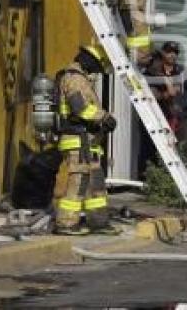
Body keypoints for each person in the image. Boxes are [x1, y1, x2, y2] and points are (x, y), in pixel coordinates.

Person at [52, 45, 118, 235]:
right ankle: (66, 223)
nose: (97, 71)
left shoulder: (82, 78)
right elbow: (79, 109)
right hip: (77, 140)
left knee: (95, 184)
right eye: (96, 65)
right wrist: (104, 117)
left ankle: (98, 222)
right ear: (87, 60)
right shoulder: (75, 79)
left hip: (88, 141)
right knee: (79, 183)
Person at [139, 41, 187, 179]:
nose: (172, 55)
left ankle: (179, 180)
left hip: (179, 118)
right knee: (153, 149)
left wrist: (180, 105)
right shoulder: (152, 72)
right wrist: (164, 95)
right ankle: (152, 180)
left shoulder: (182, 72)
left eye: (175, 53)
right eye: (169, 52)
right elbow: (146, 93)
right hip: (158, 118)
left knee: (180, 149)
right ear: (163, 53)